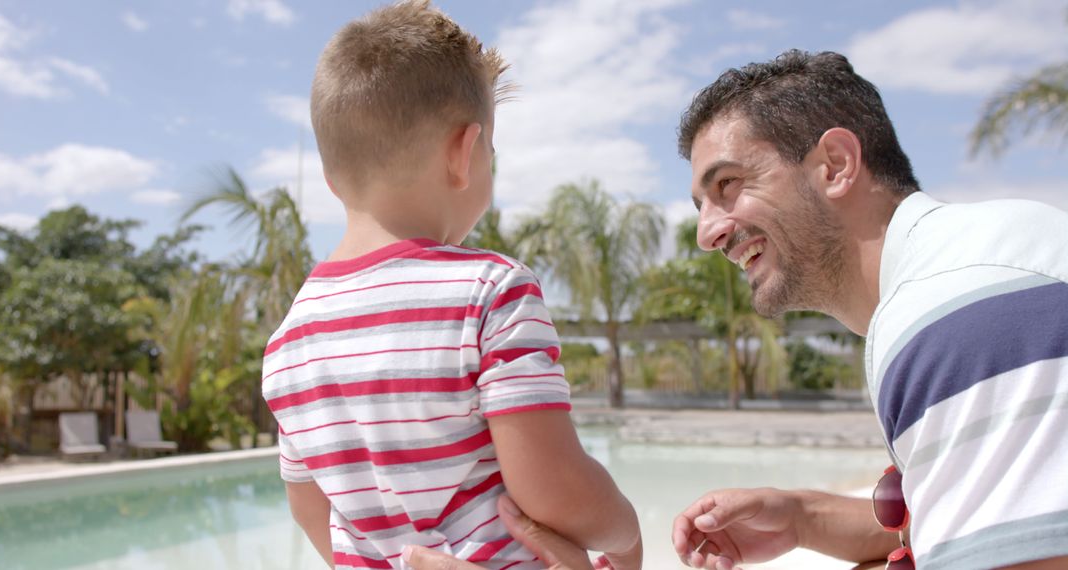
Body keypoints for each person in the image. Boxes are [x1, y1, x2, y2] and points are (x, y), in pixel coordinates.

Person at [407, 49, 1068, 570]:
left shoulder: (957, 315)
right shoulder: (972, 269)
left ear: (836, 164)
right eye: (700, 204)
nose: (708, 232)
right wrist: (804, 516)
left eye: (728, 187)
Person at [261, 2, 641, 569]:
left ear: (331, 179)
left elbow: (311, 511)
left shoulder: (288, 341)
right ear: (464, 154)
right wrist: (625, 533)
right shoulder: (491, 293)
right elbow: (553, 489)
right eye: (493, 154)